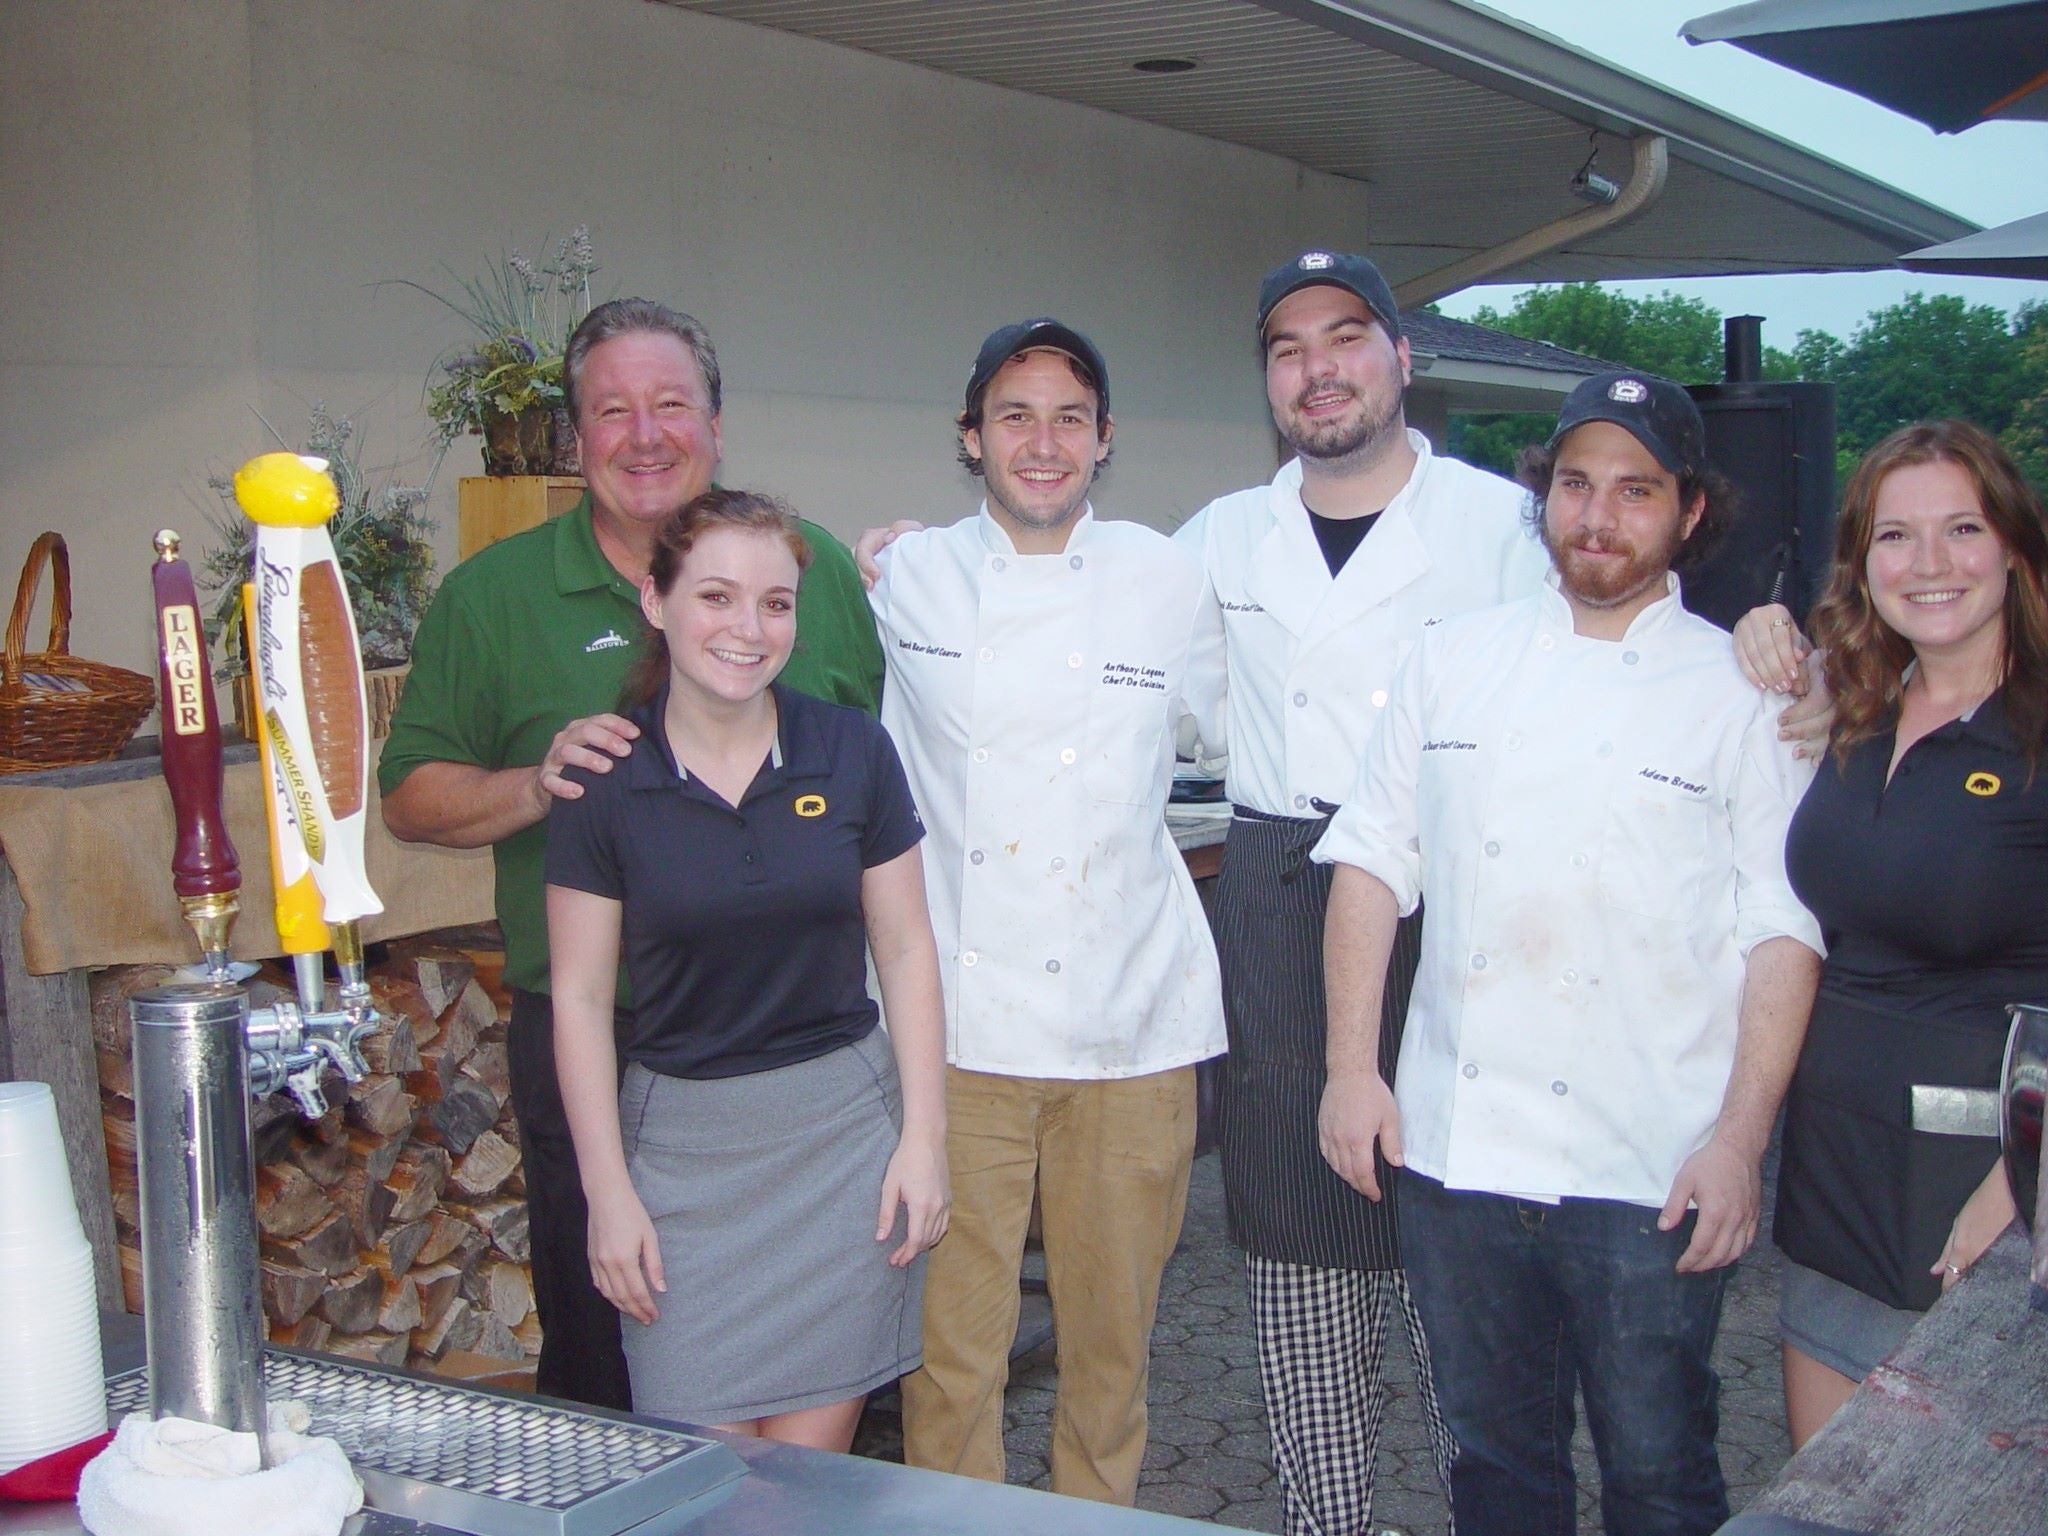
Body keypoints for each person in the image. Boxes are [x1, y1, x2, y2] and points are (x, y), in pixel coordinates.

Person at [1315, 371, 1824, 1536]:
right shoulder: (1451, 658)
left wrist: (1739, 1143)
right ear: (1542, 496)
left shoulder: (1742, 692)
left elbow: (1780, 929)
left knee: (1657, 1474)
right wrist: (1353, 1068)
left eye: (1634, 490)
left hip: (1648, 1163)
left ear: (1687, 512)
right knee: (1495, 1467)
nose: (1597, 516)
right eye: (1575, 484)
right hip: (1455, 1151)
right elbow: (1371, 864)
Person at [379, 299, 884, 1410]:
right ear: (572, 438)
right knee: (614, 1343)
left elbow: (872, 769)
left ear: (717, 425)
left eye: (671, 405)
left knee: (816, 1344)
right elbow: (408, 799)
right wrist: (533, 782)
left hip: (801, 1036)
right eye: (612, 410)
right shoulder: (492, 597)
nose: (645, 434)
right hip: (598, 1032)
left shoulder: (826, 578)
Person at [1168, 249, 1547, 1534]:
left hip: (1466, 905)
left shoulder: (1506, 529)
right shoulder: (1222, 535)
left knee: (1462, 1256)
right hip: (1280, 898)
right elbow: (1106, 651)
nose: (1314, 367)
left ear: (1400, 355)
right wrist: (916, 564)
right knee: (1299, 1251)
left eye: (1343, 336)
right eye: (1285, 347)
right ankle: (1330, 1521)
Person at [870, 320, 1226, 1504]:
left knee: (1110, 1354)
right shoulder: (899, 578)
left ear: (1105, 440)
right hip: (955, 1032)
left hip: (1131, 1027)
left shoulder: (1169, 583)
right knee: (951, 1356)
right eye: (1012, 416)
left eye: (1069, 417)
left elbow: (1256, 728)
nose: (1042, 441)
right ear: (968, 439)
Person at [543, 488, 946, 1448]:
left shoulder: (851, 750)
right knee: (711, 1492)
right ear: (656, 601)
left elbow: (905, 948)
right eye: (716, 597)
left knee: (804, 1492)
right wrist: (609, 1194)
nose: (748, 628)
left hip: (843, 1152)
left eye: (776, 602)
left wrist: (924, 1139)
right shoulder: (605, 778)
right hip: (682, 1164)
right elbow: (581, 997)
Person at [1741, 421, 2043, 1450]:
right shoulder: (1854, 707)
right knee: (1825, 1511)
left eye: (1960, 528)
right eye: (1892, 537)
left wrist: (2024, 1180)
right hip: (1834, 1193)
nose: (1927, 565)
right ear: (1859, 565)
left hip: (1993, 1207)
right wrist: (1768, 637)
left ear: (2011, 543)